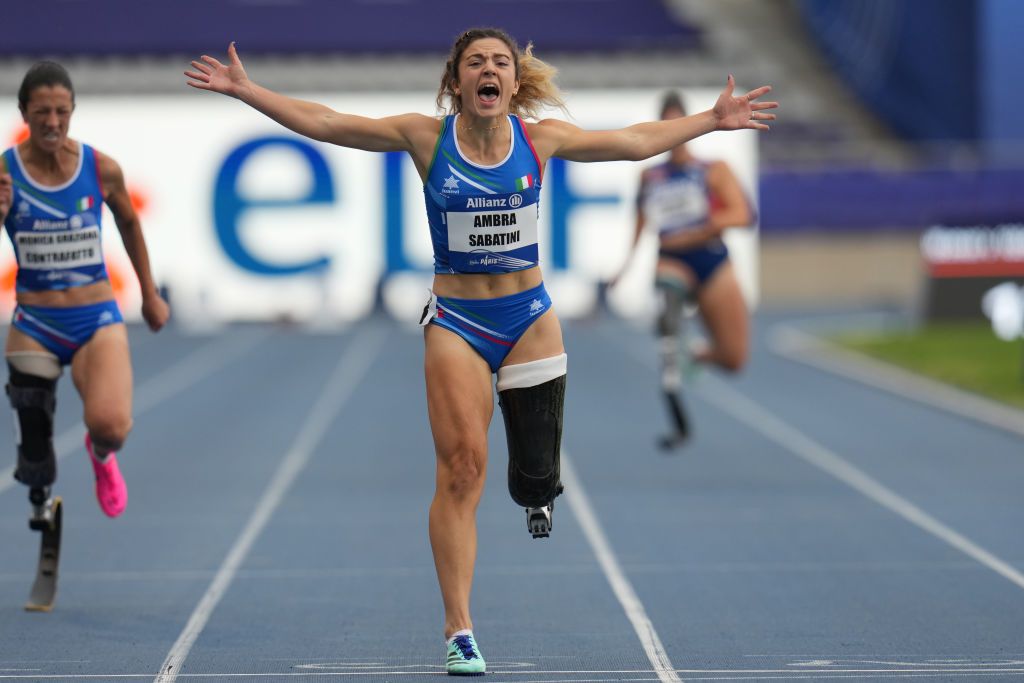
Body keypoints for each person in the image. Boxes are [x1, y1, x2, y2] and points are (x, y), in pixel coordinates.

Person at [185, 29, 775, 675]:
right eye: (476, 63)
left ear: (514, 84)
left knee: (534, 479)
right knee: (462, 469)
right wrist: (247, 91)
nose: (489, 70)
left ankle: (539, 486)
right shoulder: (426, 138)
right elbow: (329, 123)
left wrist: (713, 121)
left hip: (528, 319)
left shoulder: (539, 139)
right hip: (458, 321)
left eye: (500, 62)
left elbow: (632, 143)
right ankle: (459, 628)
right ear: (456, 81)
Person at [0, 61, 170, 524]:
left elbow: (130, 223)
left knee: (111, 426)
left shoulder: (100, 168)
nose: (52, 123)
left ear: (72, 111)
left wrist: (150, 294)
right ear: (23, 113)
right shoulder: (5, 174)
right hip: (35, 323)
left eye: (61, 112)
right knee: (35, 459)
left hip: (95, 318)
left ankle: (101, 456)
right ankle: (40, 500)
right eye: (41, 113)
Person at [613, 91, 755, 451]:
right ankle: (670, 334)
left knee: (734, 358)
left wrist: (706, 227)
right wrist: (623, 269)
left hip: (710, 258)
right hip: (672, 258)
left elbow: (743, 214)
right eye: (669, 126)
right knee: (667, 283)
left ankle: (689, 351)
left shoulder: (711, 170)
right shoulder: (650, 176)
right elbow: (640, 224)